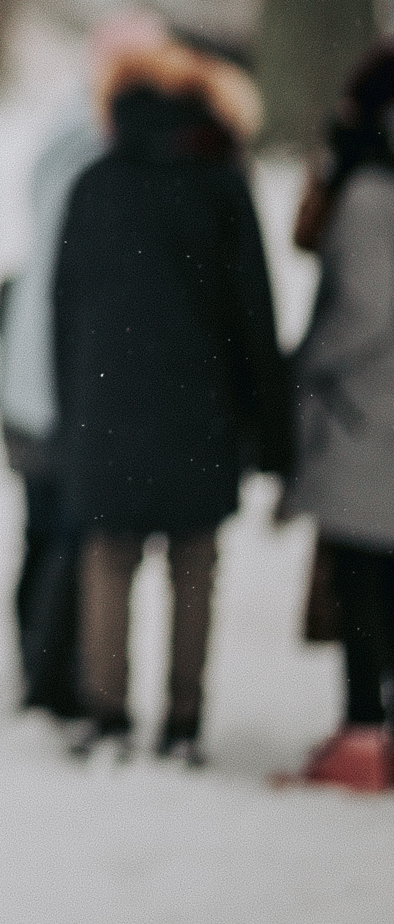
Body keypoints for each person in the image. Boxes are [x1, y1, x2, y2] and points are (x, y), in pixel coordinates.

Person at [51, 36, 289, 765]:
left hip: (110, 401)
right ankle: (184, 724)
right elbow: (253, 311)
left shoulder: (96, 182)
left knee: (109, 558)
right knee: (194, 564)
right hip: (200, 404)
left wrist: (71, 408)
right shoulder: (219, 184)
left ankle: (106, 713)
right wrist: (267, 424)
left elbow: (66, 306)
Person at [0, 12, 168, 720]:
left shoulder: (70, 137)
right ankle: (47, 673)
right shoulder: (91, 148)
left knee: (47, 527)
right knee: (60, 527)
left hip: (46, 368)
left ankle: (42, 667)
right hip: (63, 369)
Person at [279, 43, 394, 791]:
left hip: (369, 413)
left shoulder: (371, 193)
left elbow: (363, 310)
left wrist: (306, 367)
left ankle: (362, 738)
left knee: (362, 579)